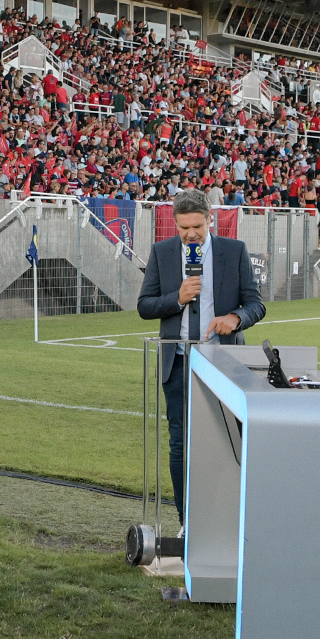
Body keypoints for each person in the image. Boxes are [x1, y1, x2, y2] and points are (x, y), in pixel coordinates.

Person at [136, 188, 265, 529]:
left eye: (197, 225)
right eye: (183, 228)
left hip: (223, 363)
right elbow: (144, 306)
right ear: (175, 225)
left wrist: (235, 318)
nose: (191, 234)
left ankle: (229, 519)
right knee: (179, 443)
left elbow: (256, 303)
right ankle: (186, 521)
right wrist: (176, 298)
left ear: (211, 219)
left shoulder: (233, 252)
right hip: (178, 363)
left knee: (230, 442)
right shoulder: (162, 253)